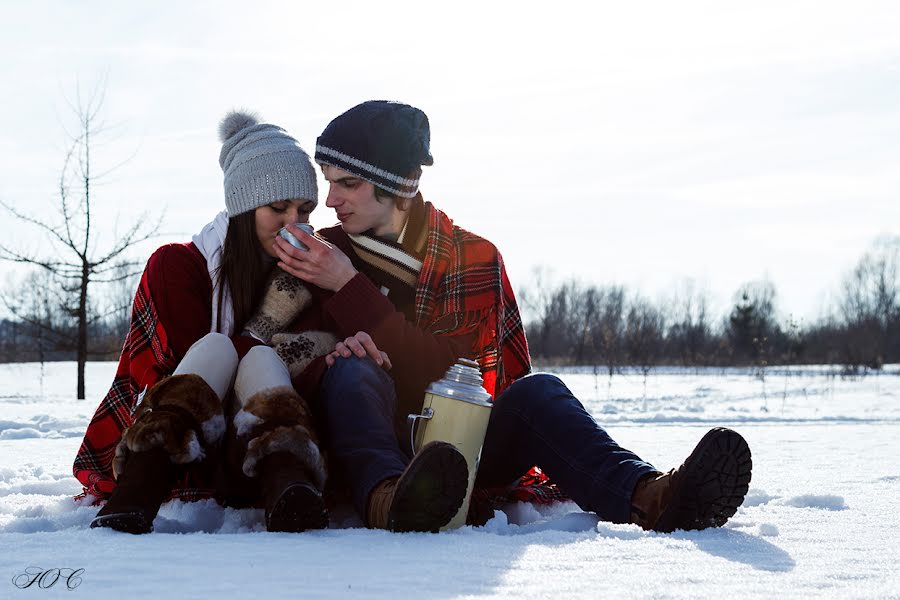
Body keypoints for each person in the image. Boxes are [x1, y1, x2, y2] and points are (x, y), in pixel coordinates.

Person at [269, 100, 753, 533]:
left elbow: (452, 376)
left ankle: (652, 496)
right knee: (353, 373)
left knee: (540, 392)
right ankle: (389, 503)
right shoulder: (321, 251)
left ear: (397, 187)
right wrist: (334, 356)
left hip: (458, 448)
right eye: (329, 182)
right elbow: (275, 353)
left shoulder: (469, 257)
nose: (331, 201)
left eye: (348, 184)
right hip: (363, 447)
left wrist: (350, 289)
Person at [74, 111, 338, 534]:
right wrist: (254, 341)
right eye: (277, 207)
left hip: (254, 445)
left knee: (264, 362)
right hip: (186, 445)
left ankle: (286, 486)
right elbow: (181, 365)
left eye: (304, 209)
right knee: (217, 348)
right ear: (243, 206)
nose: (295, 223)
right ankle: (139, 488)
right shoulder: (180, 266)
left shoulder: (307, 274)